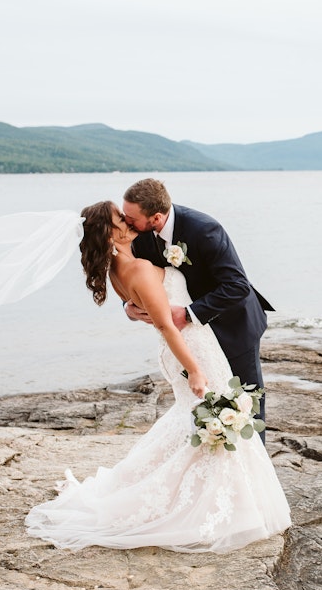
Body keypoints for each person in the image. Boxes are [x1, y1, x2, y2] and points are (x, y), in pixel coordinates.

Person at [24, 201, 290, 553]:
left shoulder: (121, 266)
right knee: (213, 414)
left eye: (128, 216)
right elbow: (165, 324)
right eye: (121, 220)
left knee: (199, 417)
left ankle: (237, 495)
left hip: (199, 339)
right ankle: (225, 502)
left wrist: (133, 306)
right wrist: (195, 369)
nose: (128, 222)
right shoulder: (138, 266)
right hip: (190, 348)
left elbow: (165, 297)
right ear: (111, 235)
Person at [121, 178, 274, 441]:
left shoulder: (204, 229)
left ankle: (257, 465)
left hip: (233, 325)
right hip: (193, 337)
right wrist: (128, 307)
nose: (125, 222)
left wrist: (189, 313)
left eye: (131, 218)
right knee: (205, 402)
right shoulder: (140, 236)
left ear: (156, 218)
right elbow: (133, 277)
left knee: (246, 402)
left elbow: (237, 286)